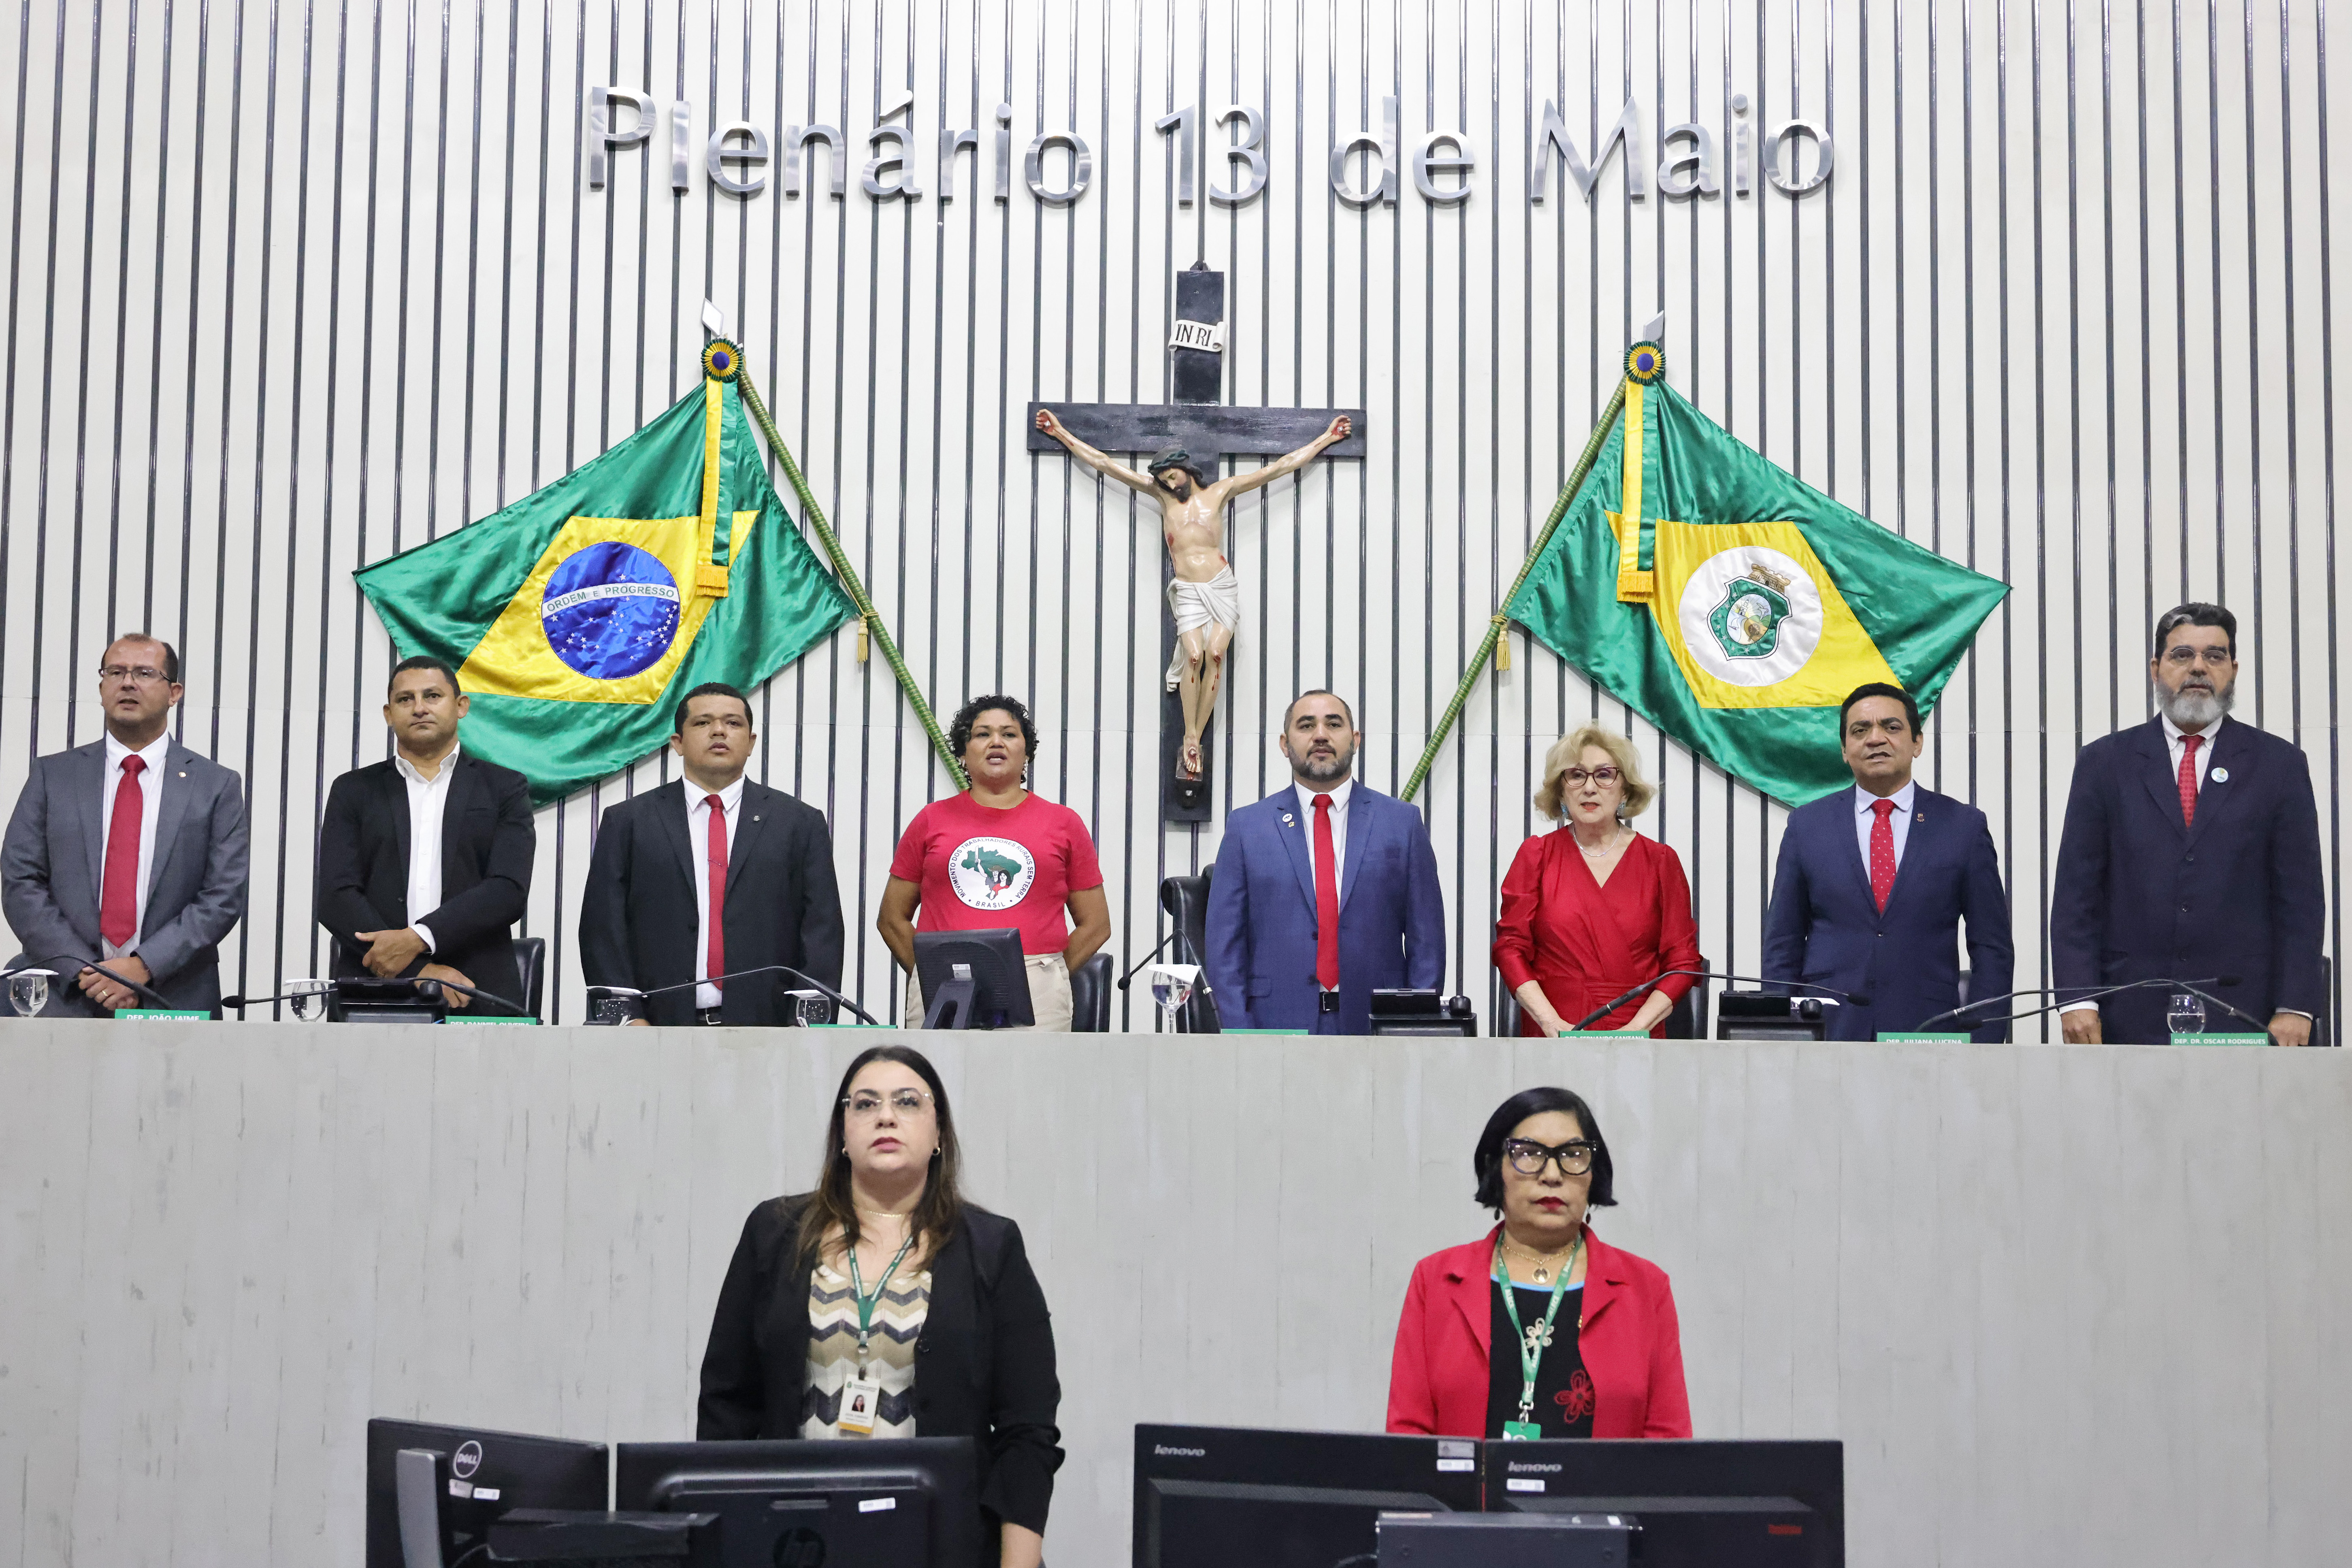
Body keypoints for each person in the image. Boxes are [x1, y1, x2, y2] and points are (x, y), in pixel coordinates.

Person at [699, 1044, 1061, 1568]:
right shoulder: (774, 1233)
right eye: (866, 1103)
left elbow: (1028, 1432)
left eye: (908, 1102)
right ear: (843, 1135)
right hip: (796, 1542)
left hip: (944, 1544)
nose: (886, 1116)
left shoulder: (992, 1247)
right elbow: (725, 1410)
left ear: (940, 1134)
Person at [2052, 603, 2325, 1045]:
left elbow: (2301, 901)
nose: (2199, 667)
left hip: (2244, 1015)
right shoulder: (2104, 763)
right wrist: (2078, 999)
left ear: (2233, 670)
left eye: (2215, 656)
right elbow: (2076, 897)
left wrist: (2294, 1005)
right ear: (2156, 669)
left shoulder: (2279, 765)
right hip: (2126, 1013)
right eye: (2182, 655)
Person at [1034, 407, 1352, 779]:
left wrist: (1326, 438)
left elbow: (1279, 468)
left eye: (1173, 476)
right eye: (1165, 480)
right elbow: (1105, 464)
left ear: (1187, 469)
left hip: (1220, 585)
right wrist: (1060, 433)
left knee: (1215, 655)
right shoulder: (1162, 497)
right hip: (1187, 589)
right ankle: (1190, 734)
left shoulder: (1221, 492)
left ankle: (1195, 738)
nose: (1171, 485)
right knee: (1195, 655)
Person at [1386, 1087, 1689, 1440]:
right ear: (1495, 1168)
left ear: (1594, 1174)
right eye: (1529, 1153)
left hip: (1603, 1481)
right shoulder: (1437, 1281)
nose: (1552, 1175)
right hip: (1469, 1481)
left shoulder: (1645, 1288)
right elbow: (1409, 1435)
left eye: (1573, 1155)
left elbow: (1668, 1444)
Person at [2, 635, 248, 1016]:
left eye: (145, 673)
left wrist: (142, 967)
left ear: (175, 692)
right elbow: (21, 880)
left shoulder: (216, 785)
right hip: (64, 991)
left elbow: (223, 895)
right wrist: (88, 972)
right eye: (115, 672)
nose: (128, 683)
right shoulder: (53, 776)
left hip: (174, 992)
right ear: (102, 688)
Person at [578, 682, 845, 1025]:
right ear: (678, 743)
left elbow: (823, 932)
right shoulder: (628, 822)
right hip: (653, 1028)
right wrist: (627, 1018)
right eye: (703, 723)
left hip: (771, 1030)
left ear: (751, 743)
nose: (719, 730)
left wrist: (805, 1024)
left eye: (733, 723)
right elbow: (602, 930)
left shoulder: (799, 823)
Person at [1761, 683, 2014, 1041]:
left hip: (1928, 1031)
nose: (1876, 739)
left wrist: (1984, 1044)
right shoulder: (1807, 826)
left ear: (1917, 743)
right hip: (1829, 1033)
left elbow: (1992, 948)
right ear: (1844, 750)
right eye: (1860, 730)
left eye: (1891, 727)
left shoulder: (1963, 827)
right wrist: (1778, 1036)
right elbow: (1782, 945)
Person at [1202, 690, 1444, 1034]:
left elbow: (1428, 942)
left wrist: (1413, 1029)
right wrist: (1242, 1035)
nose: (1320, 735)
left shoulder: (1402, 823)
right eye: (1306, 726)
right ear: (1285, 744)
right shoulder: (1247, 828)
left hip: (1379, 1028)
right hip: (1273, 1029)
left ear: (1355, 740)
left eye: (1334, 724)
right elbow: (1224, 949)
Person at [314, 656, 535, 1013]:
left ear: (461, 706)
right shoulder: (353, 790)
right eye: (406, 699)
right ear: (389, 714)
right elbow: (336, 896)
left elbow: (507, 889)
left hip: (478, 988)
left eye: (433, 696)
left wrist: (419, 939)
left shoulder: (504, 788)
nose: (419, 708)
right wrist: (417, 970)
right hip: (375, 985)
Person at [878, 695, 1110, 1032]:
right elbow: (891, 918)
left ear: (1027, 752)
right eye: (983, 734)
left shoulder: (1064, 823)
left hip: (1038, 985)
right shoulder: (930, 820)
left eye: (1009, 734)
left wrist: (1051, 972)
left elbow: (1097, 924)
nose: (996, 742)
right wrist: (929, 971)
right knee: (938, 1070)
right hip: (944, 982)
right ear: (963, 753)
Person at [1493, 728, 1700, 1037]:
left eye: (1604, 775)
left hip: (1638, 1038)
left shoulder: (1660, 862)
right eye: (1576, 775)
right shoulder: (1536, 856)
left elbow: (1683, 963)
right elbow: (1511, 949)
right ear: (1561, 791)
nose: (1589, 788)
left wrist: (1637, 1030)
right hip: (1553, 1036)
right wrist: (1549, 1021)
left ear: (1625, 790)